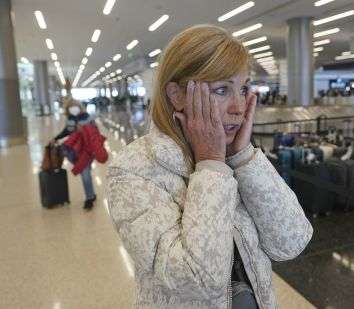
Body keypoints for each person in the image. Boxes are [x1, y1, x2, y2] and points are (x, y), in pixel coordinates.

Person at [106, 25, 313, 309]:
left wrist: (243, 157)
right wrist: (211, 166)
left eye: (242, 89)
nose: (238, 107)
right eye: (221, 90)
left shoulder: (238, 157)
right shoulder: (133, 170)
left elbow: (292, 241)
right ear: (176, 95)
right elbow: (198, 281)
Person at [53, 98, 97, 209]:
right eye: (70, 107)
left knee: (85, 173)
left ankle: (89, 199)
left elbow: (96, 130)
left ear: (79, 106)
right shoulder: (70, 119)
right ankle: (91, 194)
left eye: (75, 106)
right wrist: (56, 138)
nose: (73, 108)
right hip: (76, 151)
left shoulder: (87, 117)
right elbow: (66, 131)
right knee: (86, 172)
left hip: (87, 149)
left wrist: (85, 131)